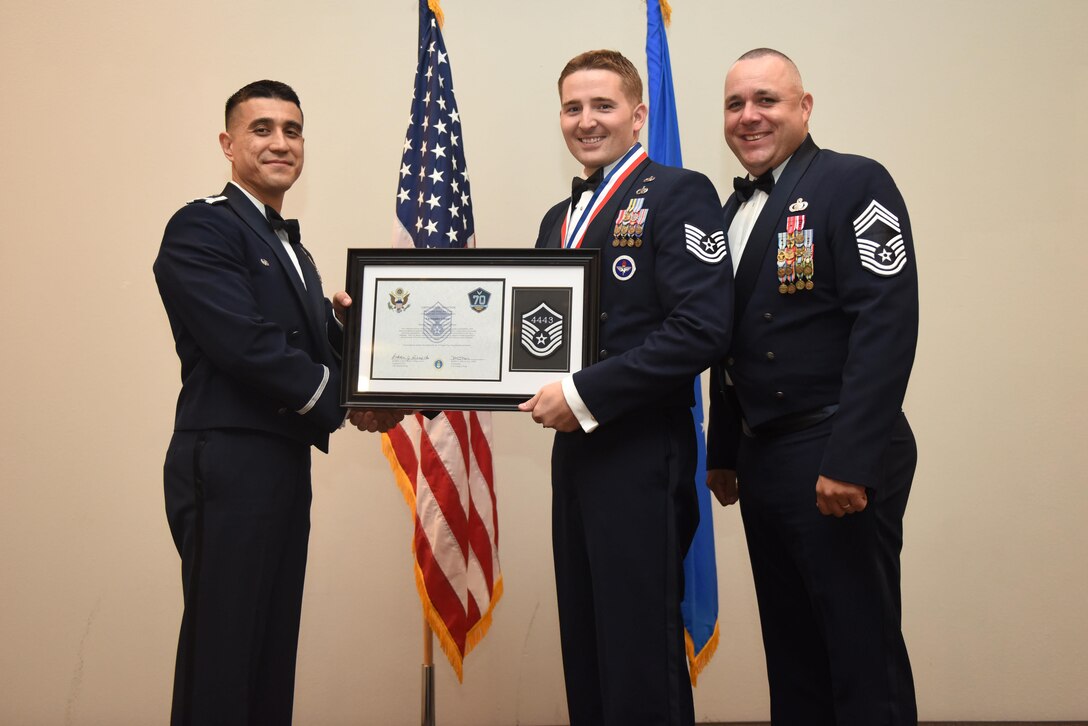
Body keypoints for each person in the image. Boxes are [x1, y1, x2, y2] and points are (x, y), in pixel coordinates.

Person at [154, 80, 400, 726]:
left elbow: (316, 349)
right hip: (228, 462)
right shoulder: (201, 226)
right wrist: (346, 402)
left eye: (292, 130)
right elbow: (247, 346)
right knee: (225, 652)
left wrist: (379, 360)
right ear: (227, 143)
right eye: (262, 128)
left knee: (268, 648)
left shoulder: (294, 250)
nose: (280, 142)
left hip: (281, 462)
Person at [518, 50, 733, 726]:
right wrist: (399, 363)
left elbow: (702, 328)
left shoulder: (680, 192)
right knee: (586, 642)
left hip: (642, 451)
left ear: (638, 115)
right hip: (575, 456)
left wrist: (583, 395)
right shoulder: (559, 217)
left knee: (639, 652)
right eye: (573, 108)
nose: (586, 121)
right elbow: (523, 342)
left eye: (602, 106)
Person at [706, 48, 919, 725]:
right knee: (793, 658)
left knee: (861, 657)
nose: (749, 116)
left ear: (804, 107)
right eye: (736, 104)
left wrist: (851, 461)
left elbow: (885, 325)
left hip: (837, 448)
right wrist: (724, 448)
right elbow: (724, 339)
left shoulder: (855, 184)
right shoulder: (727, 209)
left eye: (766, 99)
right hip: (766, 456)